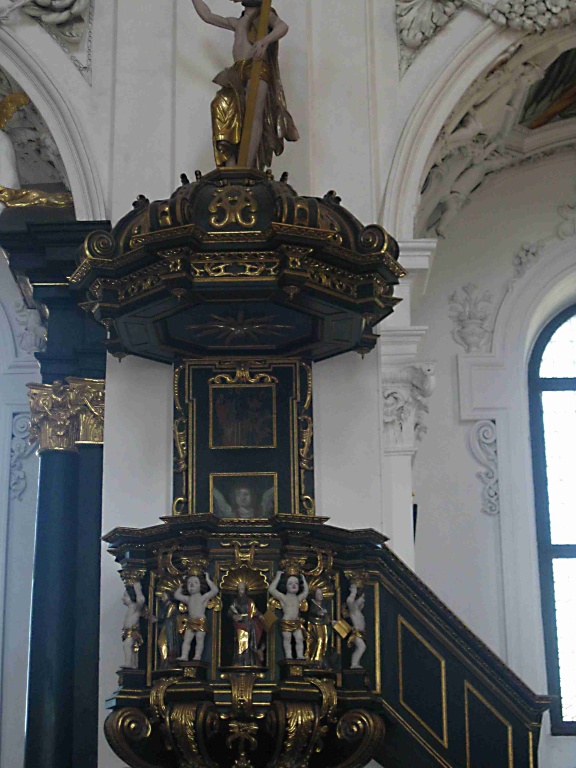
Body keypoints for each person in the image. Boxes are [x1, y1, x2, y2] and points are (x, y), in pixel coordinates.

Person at [190, 0, 299, 169]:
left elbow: (282, 26)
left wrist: (265, 41)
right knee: (221, 104)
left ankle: (246, 166)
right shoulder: (238, 22)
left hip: (256, 66)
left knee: (253, 114)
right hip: (236, 71)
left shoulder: (264, 16)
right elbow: (208, 16)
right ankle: (230, 161)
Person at [175, 572, 219, 661]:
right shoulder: (188, 599)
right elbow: (177, 595)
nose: (191, 584)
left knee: (199, 639)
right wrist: (182, 585)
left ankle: (197, 655)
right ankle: (184, 656)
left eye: (195, 582)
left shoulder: (203, 597)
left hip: (200, 621)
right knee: (186, 640)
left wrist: (207, 580)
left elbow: (215, 590)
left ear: (200, 585)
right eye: (189, 583)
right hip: (191, 621)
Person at [268, 570, 308, 659]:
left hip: (296, 622)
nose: (294, 585)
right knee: (287, 639)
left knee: (299, 639)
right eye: (290, 583)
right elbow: (271, 589)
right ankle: (288, 655)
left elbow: (306, 592)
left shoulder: (298, 598)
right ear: (285, 586)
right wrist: (278, 577)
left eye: (296, 583)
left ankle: (300, 655)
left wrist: (304, 580)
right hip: (286, 621)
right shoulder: (283, 597)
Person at [228, 581, 265, 665]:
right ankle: (240, 662)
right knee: (241, 643)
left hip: (249, 625)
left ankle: (249, 662)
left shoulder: (250, 602)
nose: (241, 591)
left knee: (250, 644)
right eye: (239, 589)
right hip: (239, 625)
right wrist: (234, 616)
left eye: (242, 589)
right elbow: (230, 612)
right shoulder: (235, 602)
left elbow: (255, 611)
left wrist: (260, 616)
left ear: (245, 590)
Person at [121, 581, 147, 669]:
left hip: (132, 632)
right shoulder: (131, 608)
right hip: (127, 632)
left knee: (128, 645)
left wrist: (137, 589)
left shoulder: (135, 607)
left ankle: (129, 664)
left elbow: (141, 600)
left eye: (125, 596)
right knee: (130, 648)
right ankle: (132, 664)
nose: (123, 598)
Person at [157, 590, 183, 667]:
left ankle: (167, 661)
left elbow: (167, 617)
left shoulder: (172, 605)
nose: (162, 598)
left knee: (164, 643)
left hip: (170, 628)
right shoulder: (165, 606)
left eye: (163, 596)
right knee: (161, 643)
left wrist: (157, 619)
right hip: (166, 627)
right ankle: (164, 661)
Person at [306, 587, 331, 664]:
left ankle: (321, 658)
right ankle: (315, 659)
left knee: (324, 641)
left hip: (323, 624)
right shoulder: (312, 603)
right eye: (318, 594)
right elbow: (310, 612)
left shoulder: (324, 605)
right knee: (319, 640)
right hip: (315, 623)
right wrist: (318, 613)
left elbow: (327, 616)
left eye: (321, 594)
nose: (320, 595)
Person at [346, 584, 367, 669]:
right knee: (362, 647)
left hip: (361, 634)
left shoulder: (358, 611)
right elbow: (349, 601)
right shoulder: (354, 610)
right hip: (356, 633)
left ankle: (356, 663)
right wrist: (353, 593)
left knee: (360, 647)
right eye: (362, 599)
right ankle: (354, 663)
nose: (363, 601)